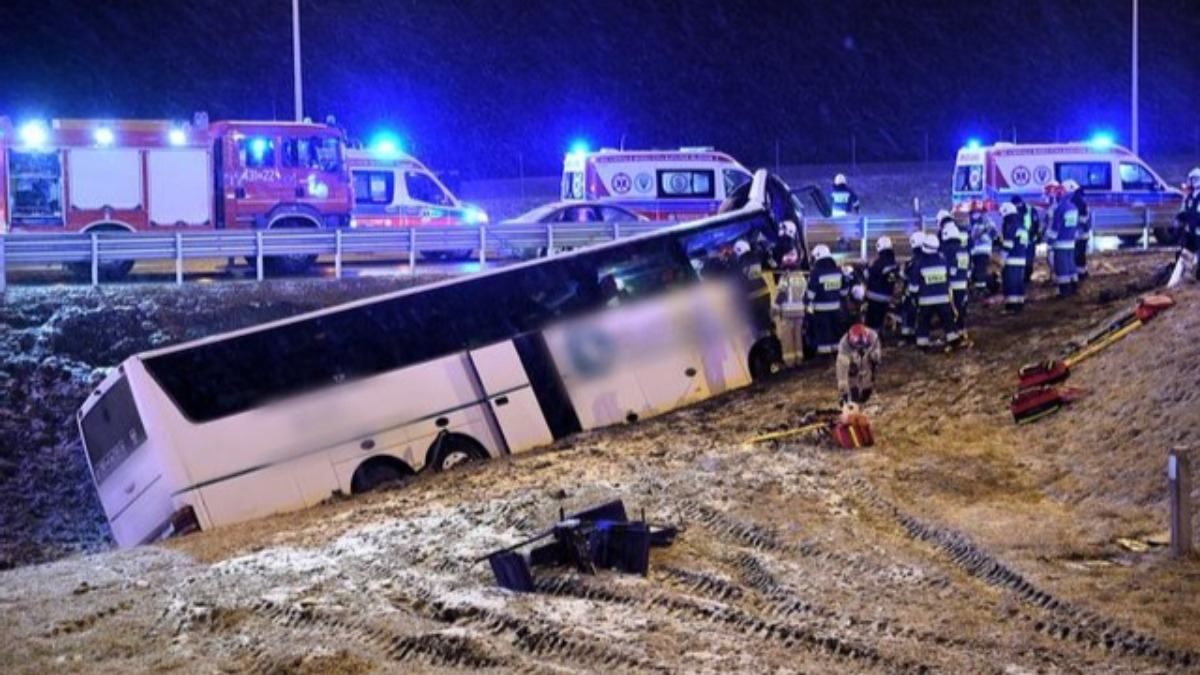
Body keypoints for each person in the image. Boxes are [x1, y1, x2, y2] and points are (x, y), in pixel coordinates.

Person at [911, 233, 959, 349]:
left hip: (925, 301)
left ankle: (922, 344)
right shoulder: (943, 261)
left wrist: (914, 298)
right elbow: (950, 276)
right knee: (948, 320)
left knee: (924, 322)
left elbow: (914, 287)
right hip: (944, 299)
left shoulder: (919, 263)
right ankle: (953, 340)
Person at [803, 244, 850, 355]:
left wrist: (806, 302)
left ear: (817, 256)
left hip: (820, 310)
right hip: (836, 308)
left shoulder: (816, 273)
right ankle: (836, 351)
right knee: (835, 331)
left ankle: (824, 355)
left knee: (823, 333)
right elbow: (844, 291)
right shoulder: (838, 271)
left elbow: (811, 293)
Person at [1045, 180, 1079, 296]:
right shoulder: (1073, 207)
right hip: (1070, 242)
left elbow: (1056, 227)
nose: (1058, 192)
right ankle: (1074, 286)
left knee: (1062, 267)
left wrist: (1050, 242)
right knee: (1071, 265)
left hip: (1060, 243)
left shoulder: (1060, 208)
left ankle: (1065, 291)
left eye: (1060, 190)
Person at [836, 323, 881, 405]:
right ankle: (852, 394)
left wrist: (873, 359)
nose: (859, 347)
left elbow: (876, 356)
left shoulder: (873, 337)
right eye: (858, 345)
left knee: (868, 370)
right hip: (851, 357)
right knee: (851, 372)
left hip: (868, 354)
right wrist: (844, 392)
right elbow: (842, 372)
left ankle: (867, 391)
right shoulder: (844, 345)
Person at [1169, 167, 1200, 286]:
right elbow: (1185, 213)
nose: (1190, 182)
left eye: (1193, 180)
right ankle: (1175, 283)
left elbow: (1195, 215)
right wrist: (1178, 223)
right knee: (1182, 257)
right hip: (1191, 233)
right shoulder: (1189, 198)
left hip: (1197, 234)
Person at [999, 202, 1029, 312]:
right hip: (1021, 258)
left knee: (1010, 283)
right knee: (1018, 282)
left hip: (1011, 259)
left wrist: (1001, 258)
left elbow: (1008, 244)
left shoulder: (1011, 225)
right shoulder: (1022, 225)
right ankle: (1019, 303)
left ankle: (1012, 306)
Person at [941, 222, 970, 338]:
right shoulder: (963, 249)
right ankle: (961, 329)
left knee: (952, 309)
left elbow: (951, 266)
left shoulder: (950, 249)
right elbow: (967, 266)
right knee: (959, 307)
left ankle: (955, 332)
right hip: (963, 282)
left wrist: (946, 278)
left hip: (952, 283)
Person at [863, 236, 898, 331]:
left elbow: (868, 275)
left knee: (871, 323)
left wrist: (866, 267)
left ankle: (872, 337)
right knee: (879, 321)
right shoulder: (893, 262)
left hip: (875, 296)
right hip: (887, 296)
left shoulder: (879, 263)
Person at [899, 231, 925, 341]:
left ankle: (907, 332)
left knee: (908, 309)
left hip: (913, 292)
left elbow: (906, 276)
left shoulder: (913, 261)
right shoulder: (928, 258)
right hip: (926, 292)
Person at [967, 205, 997, 296]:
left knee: (979, 270)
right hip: (982, 250)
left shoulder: (974, 222)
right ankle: (980, 288)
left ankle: (981, 290)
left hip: (980, 250)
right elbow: (994, 236)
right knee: (979, 270)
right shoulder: (988, 221)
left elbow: (971, 236)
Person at [1012, 195, 1041, 283]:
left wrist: (1035, 236)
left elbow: (1036, 224)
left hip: (1028, 239)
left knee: (1027, 260)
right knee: (1022, 260)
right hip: (1022, 240)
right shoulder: (1016, 210)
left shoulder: (1030, 210)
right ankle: (1021, 278)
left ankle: (1025, 279)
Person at [1072, 187, 1092, 281]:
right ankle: (1082, 272)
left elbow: (1082, 220)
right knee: (1081, 254)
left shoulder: (1075, 204)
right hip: (1083, 234)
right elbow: (1086, 220)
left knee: (1077, 255)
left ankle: (1080, 273)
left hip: (1077, 235)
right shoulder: (1084, 205)